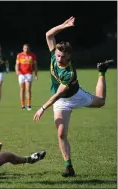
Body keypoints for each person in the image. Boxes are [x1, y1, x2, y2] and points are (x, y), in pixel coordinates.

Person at [33, 17, 114, 177]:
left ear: (69, 57)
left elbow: (57, 94)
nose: (58, 59)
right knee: (61, 133)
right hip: (61, 102)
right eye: (57, 55)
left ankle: (102, 72)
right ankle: (69, 167)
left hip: (74, 95)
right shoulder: (53, 55)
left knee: (101, 102)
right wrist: (64, 25)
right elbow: (49, 35)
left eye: (62, 57)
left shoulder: (69, 73)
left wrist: (42, 108)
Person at [15, 44, 38, 111]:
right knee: (22, 89)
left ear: (29, 49)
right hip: (21, 74)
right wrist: (17, 71)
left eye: (27, 48)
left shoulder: (32, 55)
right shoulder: (19, 55)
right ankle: (22, 105)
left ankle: (29, 105)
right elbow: (17, 64)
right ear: (23, 48)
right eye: (25, 48)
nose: (26, 49)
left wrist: (36, 74)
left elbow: (35, 66)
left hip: (29, 74)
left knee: (28, 90)